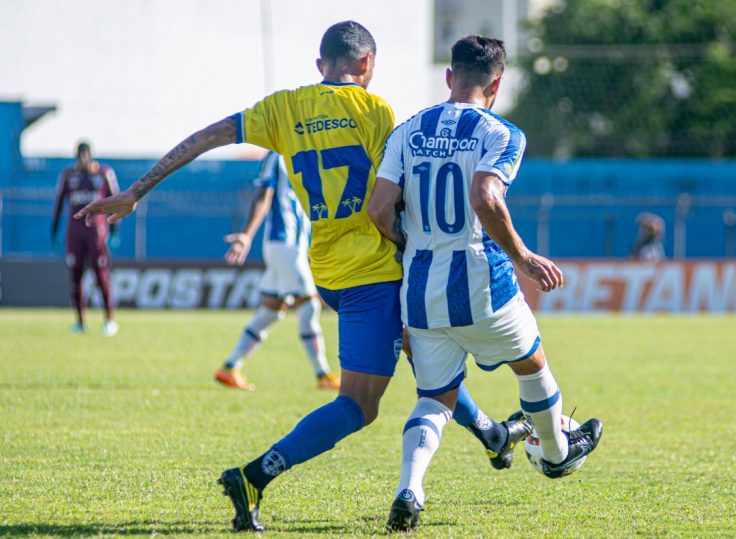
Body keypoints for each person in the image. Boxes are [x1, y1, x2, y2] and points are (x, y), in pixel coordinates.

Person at [75, 21, 527, 532]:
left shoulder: (282, 108)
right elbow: (390, 200)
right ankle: (253, 476)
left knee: (425, 349)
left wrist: (137, 190)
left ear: (321, 66)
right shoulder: (376, 110)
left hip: (329, 269)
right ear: (367, 66)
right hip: (375, 270)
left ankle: (490, 432)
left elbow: (205, 138)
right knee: (360, 402)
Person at [368, 35, 604, 531]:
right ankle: (558, 451)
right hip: (480, 280)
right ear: (496, 83)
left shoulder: (408, 130)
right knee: (531, 363)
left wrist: (411, 243)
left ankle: (409, 490)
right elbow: (484, 194)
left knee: (435, 397)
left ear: (450, 76)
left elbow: (378, 209)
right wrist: (522, 255)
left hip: (419, 289)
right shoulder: (501, 133)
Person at [215, 151, 340, 391]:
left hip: (293, 246)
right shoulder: (279, 154)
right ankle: (323, 374)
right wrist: (246, 234)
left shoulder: (308, 151)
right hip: (284, 245)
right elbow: (263, 195)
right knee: (310, 304)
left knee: (272, 309)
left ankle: (230, 367)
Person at [52, 141, 120, 336]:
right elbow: (58, 204)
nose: (83, 159)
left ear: (90, 155)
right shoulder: (68, 175)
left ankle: (109, 320)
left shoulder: (104, 173)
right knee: (76, 276)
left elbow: (116, 202)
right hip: (75, 233)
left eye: (86, 155)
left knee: (101, 276)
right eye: (80, 155)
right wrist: (54, 232)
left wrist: (114, 232)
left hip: (96, 233)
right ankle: (80, 322)